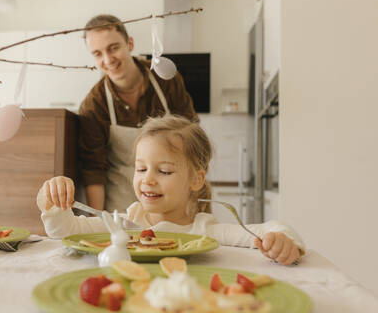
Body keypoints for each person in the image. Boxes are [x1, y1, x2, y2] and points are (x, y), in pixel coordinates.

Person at [36, 115, 304, 265]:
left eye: (163, 171)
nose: (148, 180)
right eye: (141, 169)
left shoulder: (203, 231)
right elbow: (64, 231)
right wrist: (54, 200)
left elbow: (266, 230)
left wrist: (282, 241)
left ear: (196, 180)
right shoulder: (125, 224)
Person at [78, 14, 197, 213]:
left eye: (113, 48)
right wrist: (98, 223)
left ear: (129, 44)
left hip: (175, 205)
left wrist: (194, 201)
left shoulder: (166, 81)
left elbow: (193, 141)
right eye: (97, 53)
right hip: (125, 209)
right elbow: (94, 172)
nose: (108, 60)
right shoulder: (94, 105)